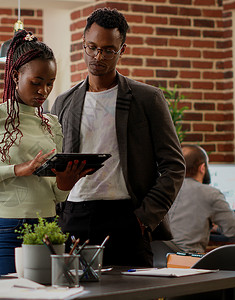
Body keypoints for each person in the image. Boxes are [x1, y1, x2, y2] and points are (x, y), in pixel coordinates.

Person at [0, 30, 90, 278]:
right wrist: (15, 169)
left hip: (49, 228)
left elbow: (55, 193)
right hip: (7, 231)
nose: (43, 91)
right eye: (36, 82)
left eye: (50, 83)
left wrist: (66, 184)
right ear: (16, 75)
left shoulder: (51, 123)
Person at [51, 7, 185, 267]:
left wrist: (145, 217)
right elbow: (54, 162)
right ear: (84, 44)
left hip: (126, 217)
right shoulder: (63, 103)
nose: (97, 56)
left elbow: (174, 165)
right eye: (91, 47)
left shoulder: (148, 99)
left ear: (122, 49)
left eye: (108, 50)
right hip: (73, 217)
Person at [168, 145, 235, 253]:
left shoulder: (165, 189)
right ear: (202, 168)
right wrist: (216, 228)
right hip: (187, 262)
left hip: (159, 261)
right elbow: (233, 229)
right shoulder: (210, 193)